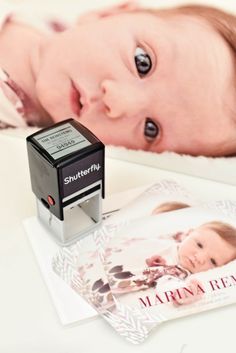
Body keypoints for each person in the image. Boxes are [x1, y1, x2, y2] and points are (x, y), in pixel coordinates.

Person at [1, 2, 236, 156]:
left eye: (150, 129)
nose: (119, 101)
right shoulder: (39, 17)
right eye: (142, 62)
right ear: (110, 13)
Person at [105, 221, 236, 306]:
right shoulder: (172, 240)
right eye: (199, 245)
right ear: (189, 234)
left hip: (111, 277)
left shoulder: (177, 270)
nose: (199, 257)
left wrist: (182, 292)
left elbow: (166, 283)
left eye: (213, 261)